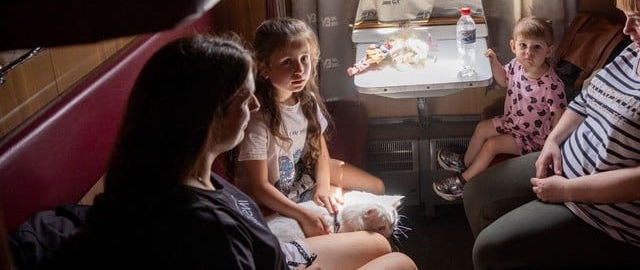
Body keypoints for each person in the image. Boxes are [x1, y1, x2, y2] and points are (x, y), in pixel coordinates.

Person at [53, 34, 417, 270]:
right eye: (245, 98)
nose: (257, 106)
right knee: (399, 262)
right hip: (279, 262)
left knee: (377, 244)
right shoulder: (206, 228)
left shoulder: (180, 169)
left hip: (277, 256)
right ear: (209, 117)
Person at [461, 0, 640, 269]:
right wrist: (554, 141)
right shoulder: (636, 52)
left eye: (638, 20)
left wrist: (567, 190)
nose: (627, 29)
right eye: (626, 17)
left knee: (490, 250)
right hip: (570, 165)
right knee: (476, 193)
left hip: (621, 219)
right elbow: (584, 102)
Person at [236, 18, 386, 238]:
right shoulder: (258, 120)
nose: (299, 70)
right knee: (332, 225)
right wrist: (303, 214)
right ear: (265, 68)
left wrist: (323, 187)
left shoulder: (307, 101)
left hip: (304, 175)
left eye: (304, 59)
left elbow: (320, 151)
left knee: (377, 187)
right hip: (273, 194)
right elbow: (259, 187)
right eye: (287, 62)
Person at [433, 16, 567, 201]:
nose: (529, 52)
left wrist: (552, 143)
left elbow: (559, 115)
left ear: (549, 51)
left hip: (532, 137)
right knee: (482, 129)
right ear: (513, 46)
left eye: (537, 47)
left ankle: (462, 183)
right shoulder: (517, 65)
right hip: (512, 122)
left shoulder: (551, 85)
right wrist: (495, 62)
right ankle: (464, 164)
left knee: (492, 145)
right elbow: (504, 80)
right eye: (523, 45)